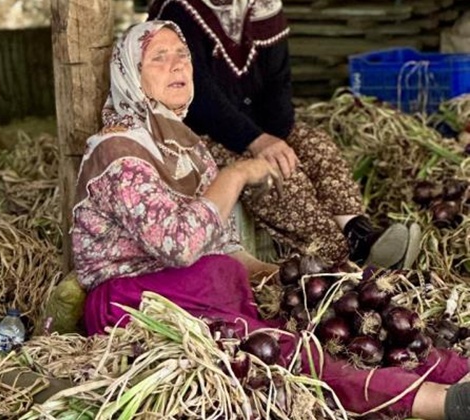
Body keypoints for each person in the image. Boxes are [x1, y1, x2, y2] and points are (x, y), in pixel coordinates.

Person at [72, 20, 469, 419]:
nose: (177, 66)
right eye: (159, 58)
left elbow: (224, 248)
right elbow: (179, 245)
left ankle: (457, 372)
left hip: (204, 294)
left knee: (340, 327)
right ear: (130, 75)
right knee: (287, 354)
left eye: (183, 56)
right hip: (140, 307)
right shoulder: (118, 152)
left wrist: (289, 275)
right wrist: (237, 173)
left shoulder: (188, 150)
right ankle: (436, 403)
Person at [146, 0, 419, 269]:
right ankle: (341, 257)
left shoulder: (263, 6)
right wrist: (257, 141)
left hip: (254, 126)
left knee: (316, 146)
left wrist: (276, 136)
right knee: (279, 175)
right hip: (200, 131)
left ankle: (360, 234)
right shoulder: (178, 10)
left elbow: (278, 80)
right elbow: (201, 97)